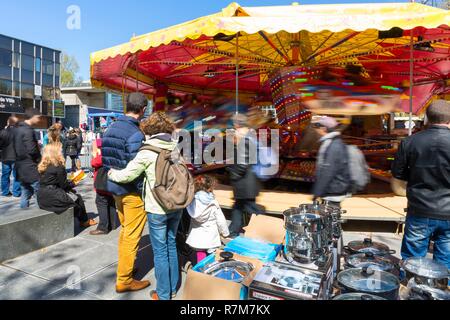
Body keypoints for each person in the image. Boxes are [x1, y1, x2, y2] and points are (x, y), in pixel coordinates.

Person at [108, 112, 181, 300]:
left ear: (150, 129)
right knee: (171, 244)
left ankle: (164, 294)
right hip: (176, 204)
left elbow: (127, 175)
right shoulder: (175, 146)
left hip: (157, 206)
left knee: (160, 251)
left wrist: (111, 174)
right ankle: (173, 287)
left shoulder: (147, 150)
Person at [392, 100, 450, 269]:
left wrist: (416, 175)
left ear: (427, 119)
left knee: (413, 261)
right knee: (445, 262)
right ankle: (441, 292)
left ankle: (411, 291)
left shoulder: (410, 142)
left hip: (419, 209)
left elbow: (398, 173)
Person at [102, 92, 148, 294]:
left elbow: (105, 160)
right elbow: (136, 169)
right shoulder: (135, 134)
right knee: (131, 235)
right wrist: (143, 193)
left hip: (115, 188)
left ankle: (125, 269)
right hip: (132, 192)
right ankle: (124, 279)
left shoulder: (110, 128)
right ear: (143, 109)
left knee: (125, 232)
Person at [36, 144, 97, 227]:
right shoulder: (58, 166)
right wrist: (74, 182)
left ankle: (83, 219)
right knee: (78, 198)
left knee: (74, 195)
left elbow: (52, 181)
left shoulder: (42, 166)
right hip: (54, 196)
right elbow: (64, 186)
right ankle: (84, 221)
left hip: (41, 197)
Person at [227, 113, 263, 239]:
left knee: (251, 208)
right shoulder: (250, 136)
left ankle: (263, 228)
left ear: (237, 124)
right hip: (248, 181)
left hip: (244, 181)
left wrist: (234, 174)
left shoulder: (244, 137)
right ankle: (234, 229)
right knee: (239, 206)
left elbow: (243, 161)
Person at [186, 175, 230, 264]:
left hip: (197, 237)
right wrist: (225, 233)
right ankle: (209, 271)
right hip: (211, 237)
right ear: (209, 188)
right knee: (211, 256)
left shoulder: (192, 202)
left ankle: (200, 269)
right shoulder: (213, 202)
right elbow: (220, 220)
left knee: (200, 254)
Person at [311, 116, 352, 207]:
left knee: (329, 218)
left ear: (324, 128)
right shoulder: (332, 142)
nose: (316, 131)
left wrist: (317, 192)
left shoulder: (333, 145)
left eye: (317, 128)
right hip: (332, 190)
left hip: (333, 191)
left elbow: (328, 171)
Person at [14, 108, 43, 209]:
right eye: (38, 117)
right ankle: (41, 216)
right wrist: (40, 160)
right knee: (40, 194)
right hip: (30, 167)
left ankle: (24, 216)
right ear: (33, 117)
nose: (39, 120)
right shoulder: (28, 131)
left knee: (25, 193)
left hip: (20, 167)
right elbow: (32, 150)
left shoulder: (17, 129)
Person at [90, 138, 119, 235]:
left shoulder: (103, 154)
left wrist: (94, 155)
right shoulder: (114, 151)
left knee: (101, 202)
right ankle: (113, 224)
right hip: (110, 181)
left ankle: (103, 227)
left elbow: (94, 163)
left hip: (102, 182)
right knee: (111, 201)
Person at [1, 116, 21, 198]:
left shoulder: (2, 132)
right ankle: (16, 192)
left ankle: (5, 192)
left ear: (8, 122)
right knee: (17, 175)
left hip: (5, 157)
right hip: (16, 157)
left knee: (5, 175)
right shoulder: (19, 132)